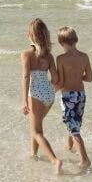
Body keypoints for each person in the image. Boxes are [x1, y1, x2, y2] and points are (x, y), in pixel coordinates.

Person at [21, 18, 62, 174]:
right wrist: (50, 89)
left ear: (30, 35)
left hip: (35, 94)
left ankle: (55, 160)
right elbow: (56, 79)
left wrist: (24, 100)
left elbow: (25, 77)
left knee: (36, 131)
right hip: (48, 94)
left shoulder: (26, 54)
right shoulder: (49, 56)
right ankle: (33, 153)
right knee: (36, 127)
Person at [55, 25, 92, 168]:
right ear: (75, 40)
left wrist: (49, 92)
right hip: (81, 95)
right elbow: (89, 78)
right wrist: (77, 75)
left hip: (68, 96)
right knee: (75, 124)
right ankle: (69, 148)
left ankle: (84, 160)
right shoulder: (84, 57)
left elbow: (61, 82)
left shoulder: (61, 59)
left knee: (73, 128)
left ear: (61, 42)